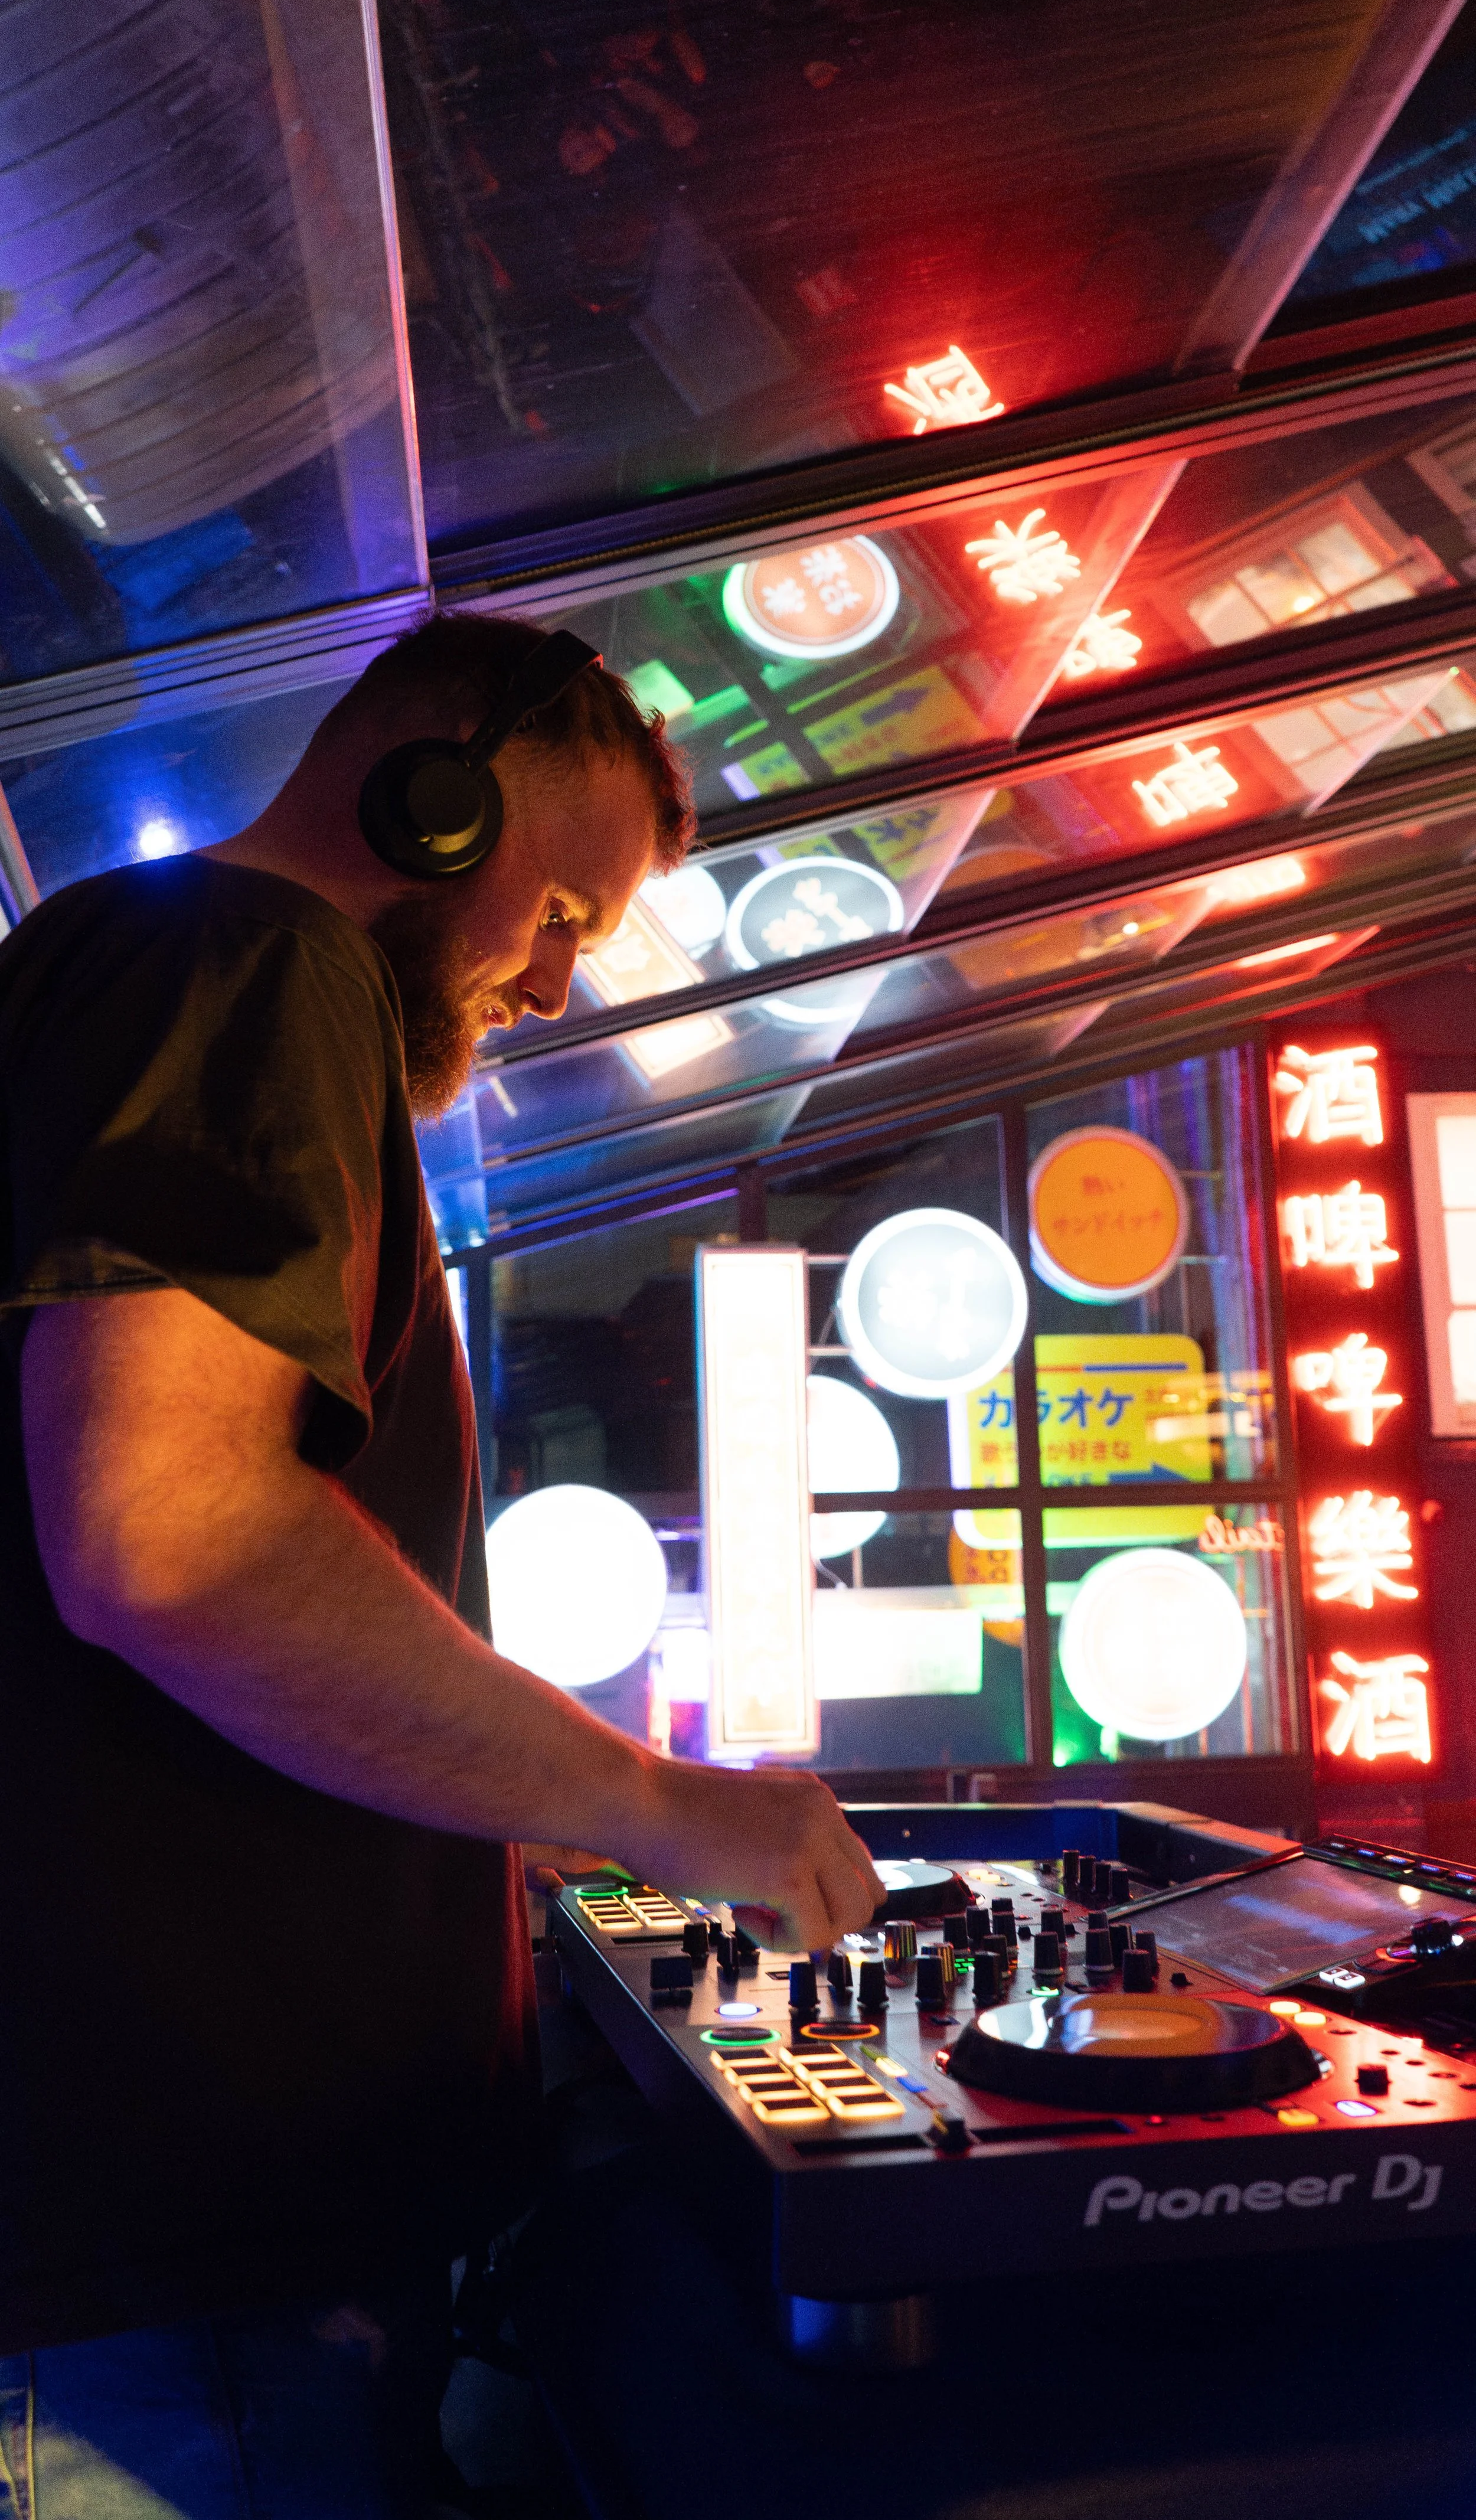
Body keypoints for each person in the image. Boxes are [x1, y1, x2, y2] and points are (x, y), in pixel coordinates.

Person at [0, 613, 884, 2517]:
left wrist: (508, 1800)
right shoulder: (250, 959)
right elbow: (165, 1535)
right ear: (441, 791)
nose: (557, 989)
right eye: (563, 911)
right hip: (177, 2263)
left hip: (158, 2253)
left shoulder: (132, 962)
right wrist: (645, 1800)